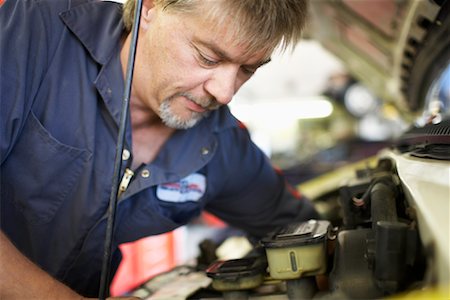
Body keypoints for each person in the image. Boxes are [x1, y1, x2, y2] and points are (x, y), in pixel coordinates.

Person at [0, 0, 318, 298]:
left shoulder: (222, 142)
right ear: (150, 8)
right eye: (209, 57)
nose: (224, 93)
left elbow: (296, 229)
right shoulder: (33, 32)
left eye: (248, 69)